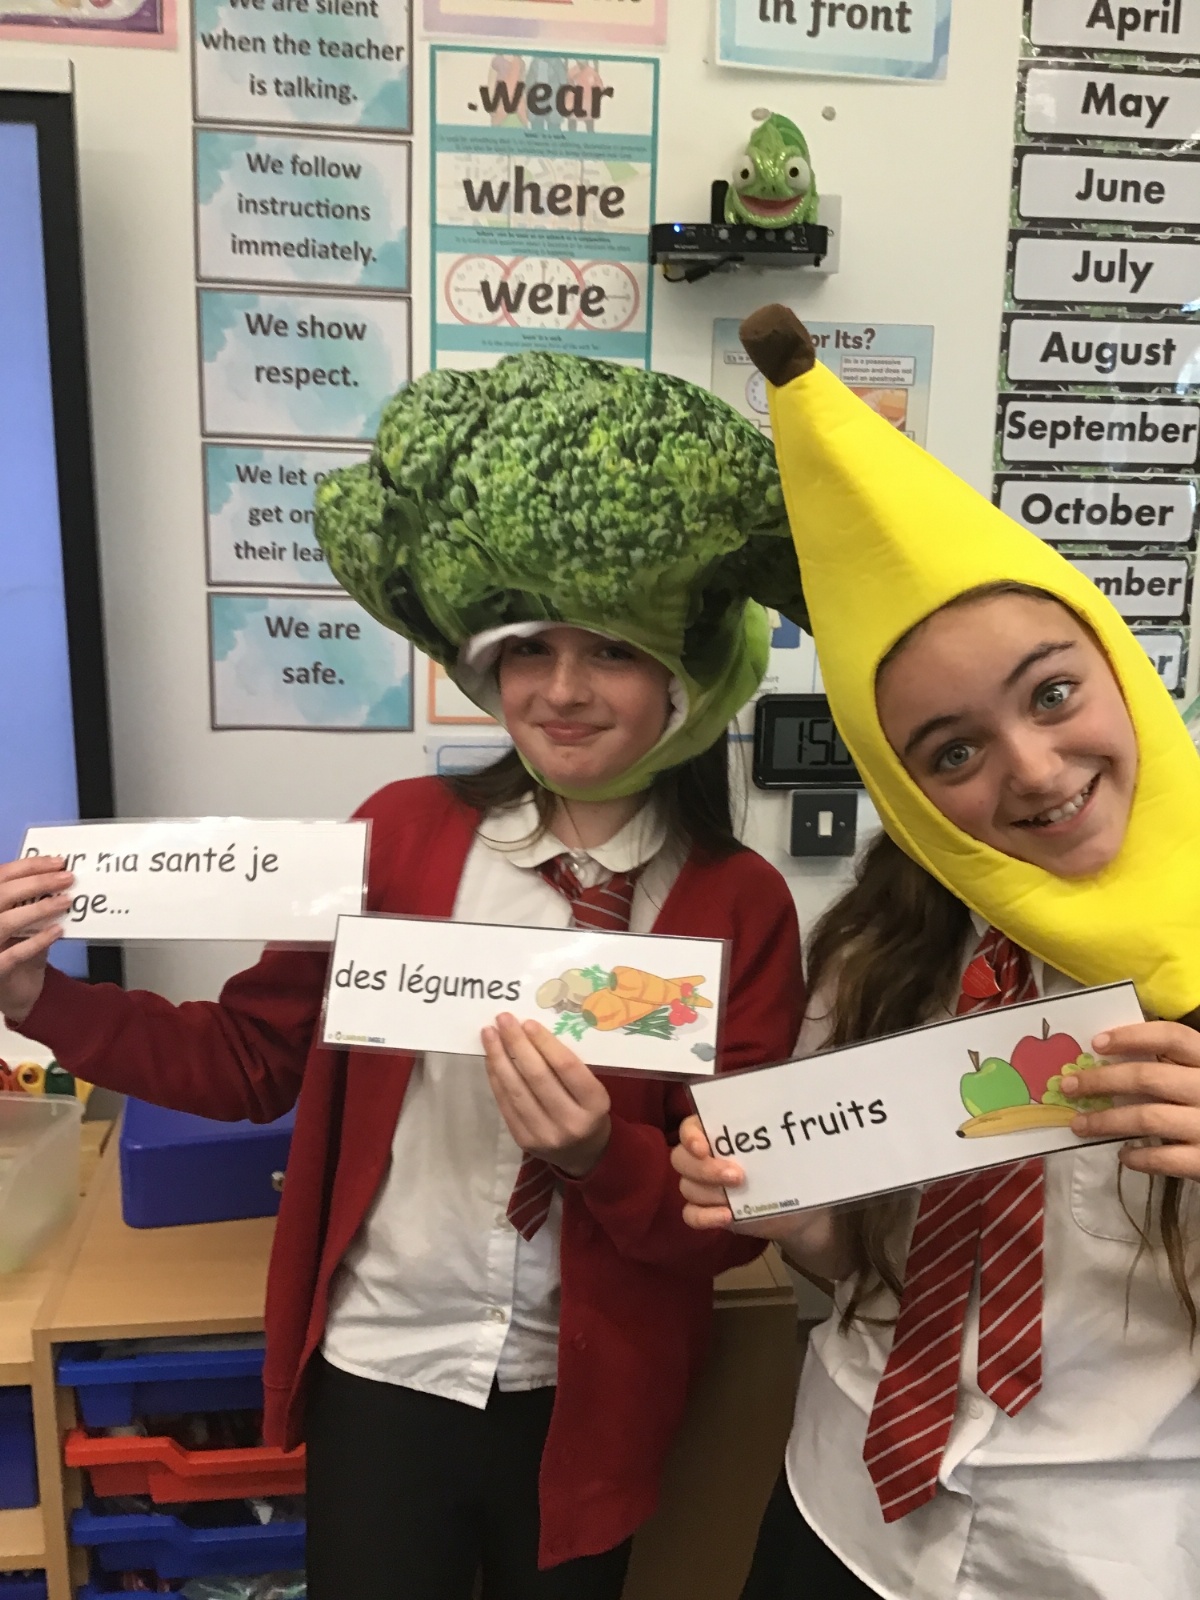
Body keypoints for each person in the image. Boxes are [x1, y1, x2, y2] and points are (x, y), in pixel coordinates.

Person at [0, 354, 808, 1600]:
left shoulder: (739, 905)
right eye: (528, 646)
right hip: (384, 1367)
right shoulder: (400, 837)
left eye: (612, 648)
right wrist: (37, 1001)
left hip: (587, 1396)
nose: (562, 688)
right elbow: (247, 1060)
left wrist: (603, 1156)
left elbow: (731, 1210)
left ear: (687, 675)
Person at [672, 307, 1200, 1600]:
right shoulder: (884, 944)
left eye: (1054, 693)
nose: (1036, 770)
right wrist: (794, 1214)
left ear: (1121, 672)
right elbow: (854, 1261)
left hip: (1103, 1554)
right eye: (952, 751)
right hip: (843, 1511)